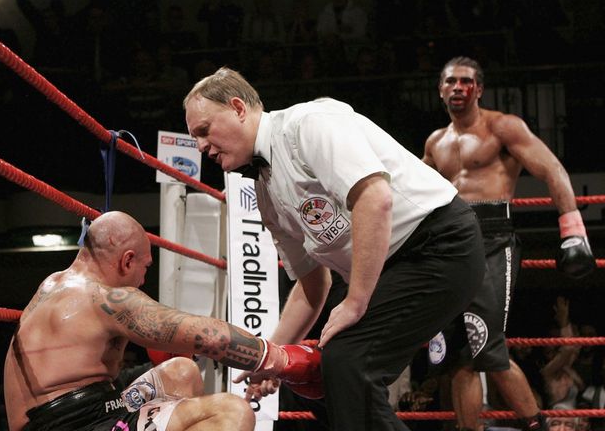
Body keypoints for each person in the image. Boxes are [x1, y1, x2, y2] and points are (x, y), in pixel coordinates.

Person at [184, 67, 485, 431]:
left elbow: (375, 198)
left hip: (438, 245)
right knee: (320, 380)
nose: (200, 146)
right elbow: (313, 285)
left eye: (204, 130)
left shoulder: (309, 124)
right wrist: (268, 356)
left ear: (238, 108)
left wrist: (356, 302)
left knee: (347, 363)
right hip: (394, 268)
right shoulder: (265, 193)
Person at [3, 211, 321, 431]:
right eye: (145, 267)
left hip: (87, 411)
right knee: (233, 411)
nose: (143, 280)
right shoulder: (104, 298)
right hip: (77, 424)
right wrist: (279, 359)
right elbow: (207, 336)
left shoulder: (54, 283)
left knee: (180, 372)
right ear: (127, 260)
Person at [421, 56, 596, 431]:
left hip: (492, 238)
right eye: (450, 81)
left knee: (487, 345)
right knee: (457, 356)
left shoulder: (503, 127)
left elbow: (552, 169)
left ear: (479, 89)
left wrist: (572, 228)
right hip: (446, 243)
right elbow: (416, 197)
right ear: (440, 89)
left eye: (466, 81)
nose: (457, 88)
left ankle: (537, 425)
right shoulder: (435, 142)